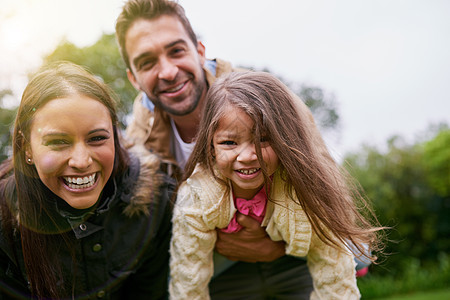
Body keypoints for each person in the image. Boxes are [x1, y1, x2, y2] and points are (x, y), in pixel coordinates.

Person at [170, 71, 383, 299]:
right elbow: (188, 276)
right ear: (211, 146)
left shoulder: (302, 186)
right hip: (220, 254)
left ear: (284, 138)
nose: (248, 155)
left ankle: (359, 261)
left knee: (352, 250)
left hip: (293, 241)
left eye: (263, 139)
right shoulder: (197, 195)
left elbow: (331, 261)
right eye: (229, 142)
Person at [0, 61, 173, 299]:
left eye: (97, 138)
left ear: (115, 137)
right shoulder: (3, 222)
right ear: (27, 148)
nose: (81, 161)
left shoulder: (154, 201)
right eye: (58, 142)